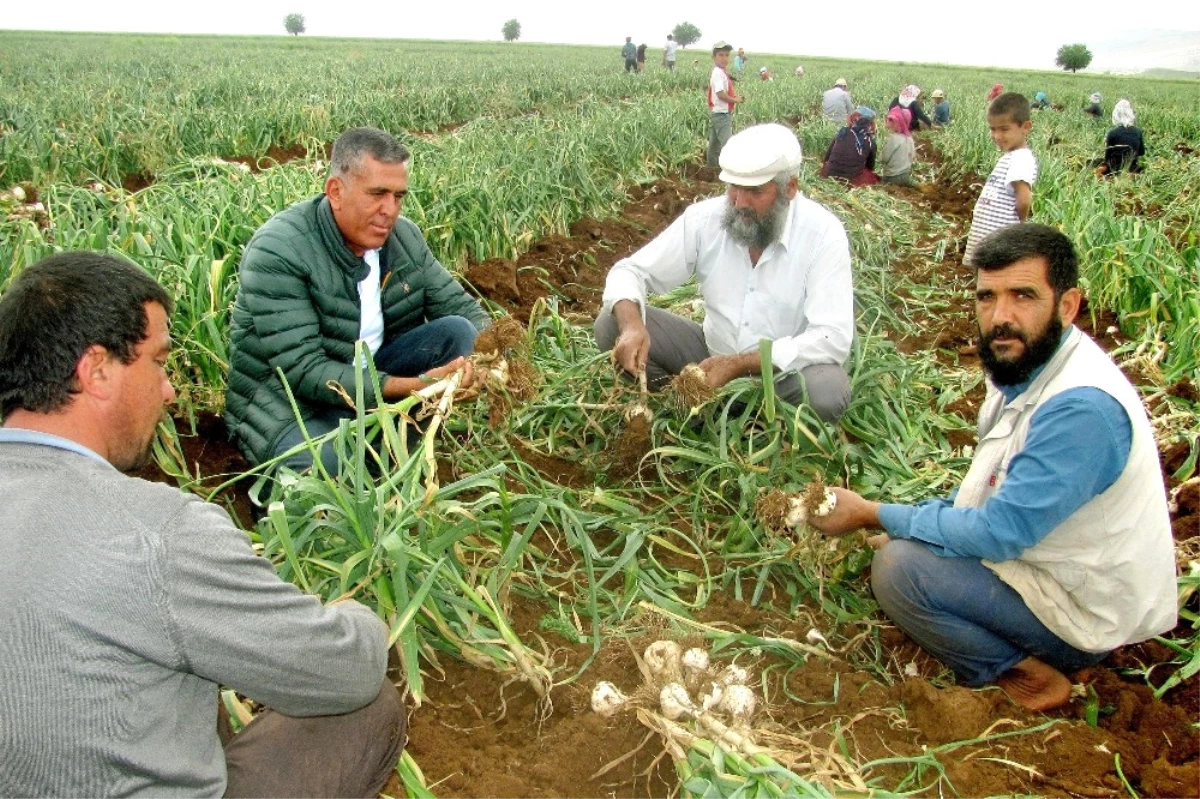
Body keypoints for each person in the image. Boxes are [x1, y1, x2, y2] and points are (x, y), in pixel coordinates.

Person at [0, 252, 406, 796]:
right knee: (369, 703)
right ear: (96, 370)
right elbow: (344, 671)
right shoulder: (158, 532)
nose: (169, 391)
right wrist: (358, 619)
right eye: (159, 362)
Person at [811, 224, 1177, 712]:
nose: (1000, 317)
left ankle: (1024, 674)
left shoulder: (1080, 409)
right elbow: (990, 496)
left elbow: (999, 531)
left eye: (1023, 295)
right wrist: (906, 523)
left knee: (900, 572)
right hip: (1043, 566)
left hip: (1080, 614)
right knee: (907, 544)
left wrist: (873, 514)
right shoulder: (1024, 370)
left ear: (1067, 306)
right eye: (987, 297)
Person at [226, 127, 488, 474]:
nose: (389, 210)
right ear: (336, 191)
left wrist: (497, 353)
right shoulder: (280, 251)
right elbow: (305, 370)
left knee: (458, 333)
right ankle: (361, 453)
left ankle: (394, 447)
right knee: (331, 468)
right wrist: (418, 386)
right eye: (377, 193)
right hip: (292, 403)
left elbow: (460, 307)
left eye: (398, 196)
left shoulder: (403, 238)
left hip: (371, 381)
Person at [595, 123, 854, 423]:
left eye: (755, 191)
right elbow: (630, 271)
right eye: (734, 188)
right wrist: (631, 326)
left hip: (780, 375)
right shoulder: (706, 219)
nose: (739, 203)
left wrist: (740, 364)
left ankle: (761, 424)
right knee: (610, 323)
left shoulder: (823, 235)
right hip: (709, 354)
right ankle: (691, 406)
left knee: (827, 392)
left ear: (790, 188)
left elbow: (832, 337)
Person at [963, 93, 1037, 266]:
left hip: (999, 240)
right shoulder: (1012, 156)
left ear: (1025, 127)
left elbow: (1024, 199)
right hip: (989, 238)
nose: (997, 136)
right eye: (993, 129)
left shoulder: (1021, 158)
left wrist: (1019, 226)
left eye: (1004, 129)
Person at [820, 106, 879, 187]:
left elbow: (827, 157)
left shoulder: (842, 132)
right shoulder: (870, 141)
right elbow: (870, 167)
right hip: (851, 180)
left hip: (828, 174)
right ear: (870, 124)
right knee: (873, 177)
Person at [706, 41, 743, 168]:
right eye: (721, 55)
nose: (724, 58)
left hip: (717, 113)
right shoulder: (717, 73)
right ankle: (732, 172)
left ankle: (711, 169)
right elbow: (720, 94)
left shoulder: (721, 72)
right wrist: (736, 100)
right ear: (714, 57)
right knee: (728, 146)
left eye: (727, 55)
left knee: (714, 145)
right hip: (721, 114)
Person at [1099, 99, 1146, 175]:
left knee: (1093, 164)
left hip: (1115, 169)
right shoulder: (1138, 132)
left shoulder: (1112, 133)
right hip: (1132, 167)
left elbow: (1107, 157)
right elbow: (1141, 152)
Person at [878, 106, 917, 186]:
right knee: (910, 184)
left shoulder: (893, 138)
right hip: (906, 175)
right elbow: (912, 157)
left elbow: (884, 159)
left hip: (892, 177)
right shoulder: (910, 138)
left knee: (878, 182)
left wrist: (879, 158)